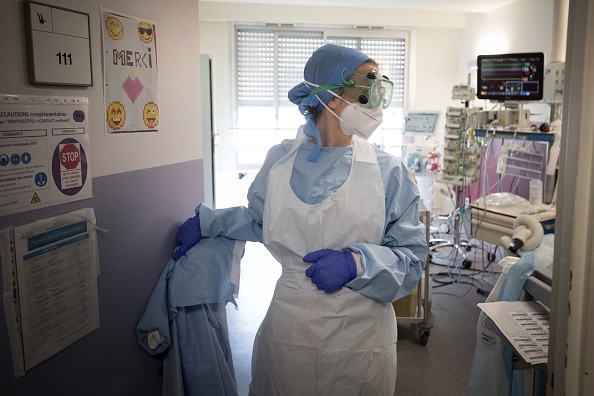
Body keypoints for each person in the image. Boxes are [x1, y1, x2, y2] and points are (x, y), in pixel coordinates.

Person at [173, 44, 428, 395]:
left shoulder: (388, 171)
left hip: (361, 335)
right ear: (332, 97)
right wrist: (210, 223)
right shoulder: (280, 160)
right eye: (366, 88)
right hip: (290, 329)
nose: (376, 100)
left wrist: (357, 263)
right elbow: (263, 221)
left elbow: (411, 261)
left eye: (379, 88)